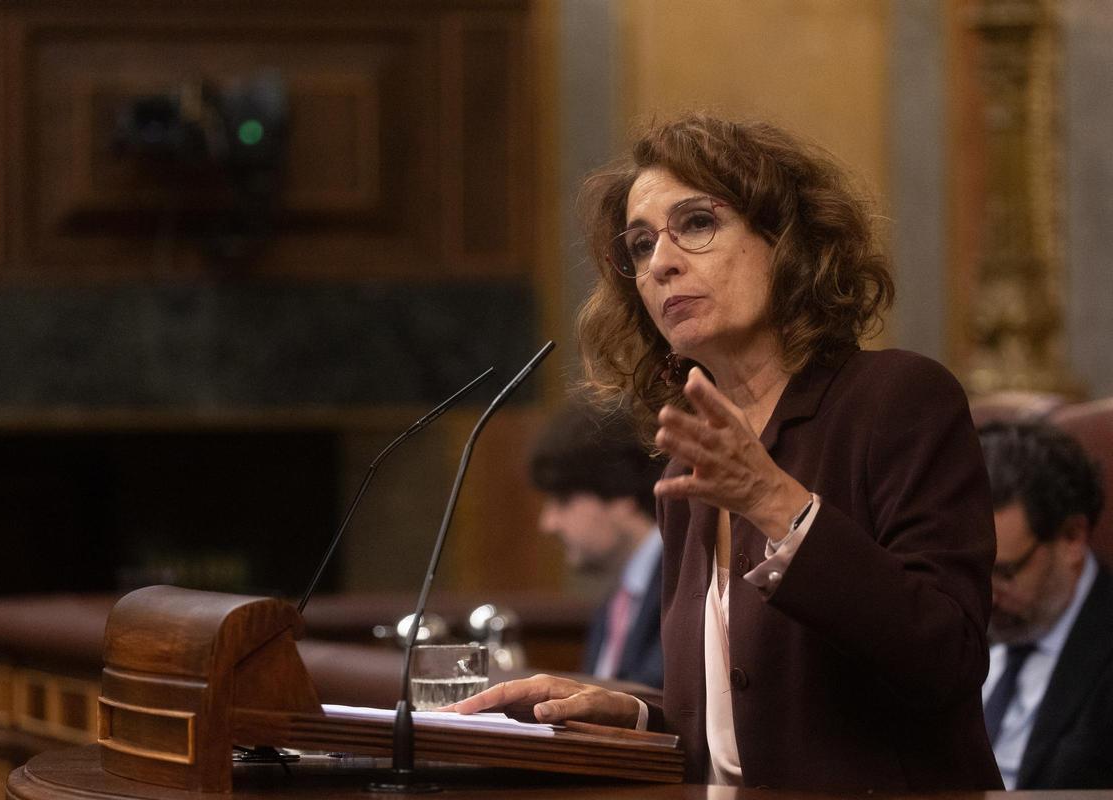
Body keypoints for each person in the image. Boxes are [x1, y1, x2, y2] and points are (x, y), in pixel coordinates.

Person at [447, 113, 1001, 791]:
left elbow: (947, 656)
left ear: (786, 240)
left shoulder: (896, 402)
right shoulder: (690, 461)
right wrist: (633, 713)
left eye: (697, 225)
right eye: (640, 245)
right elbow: (746, 720)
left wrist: (773, 502)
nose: (662, 262)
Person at [977, 420, 1113, 789]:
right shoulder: (950, 622)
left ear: (1071, 537)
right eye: (974, 570)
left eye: (1005, 572)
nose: (986, 596)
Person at [529, 403, 665, 688]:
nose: (548, 523)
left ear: (621, 491)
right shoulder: (617, 601)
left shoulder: (683, 581)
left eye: (563, 500)